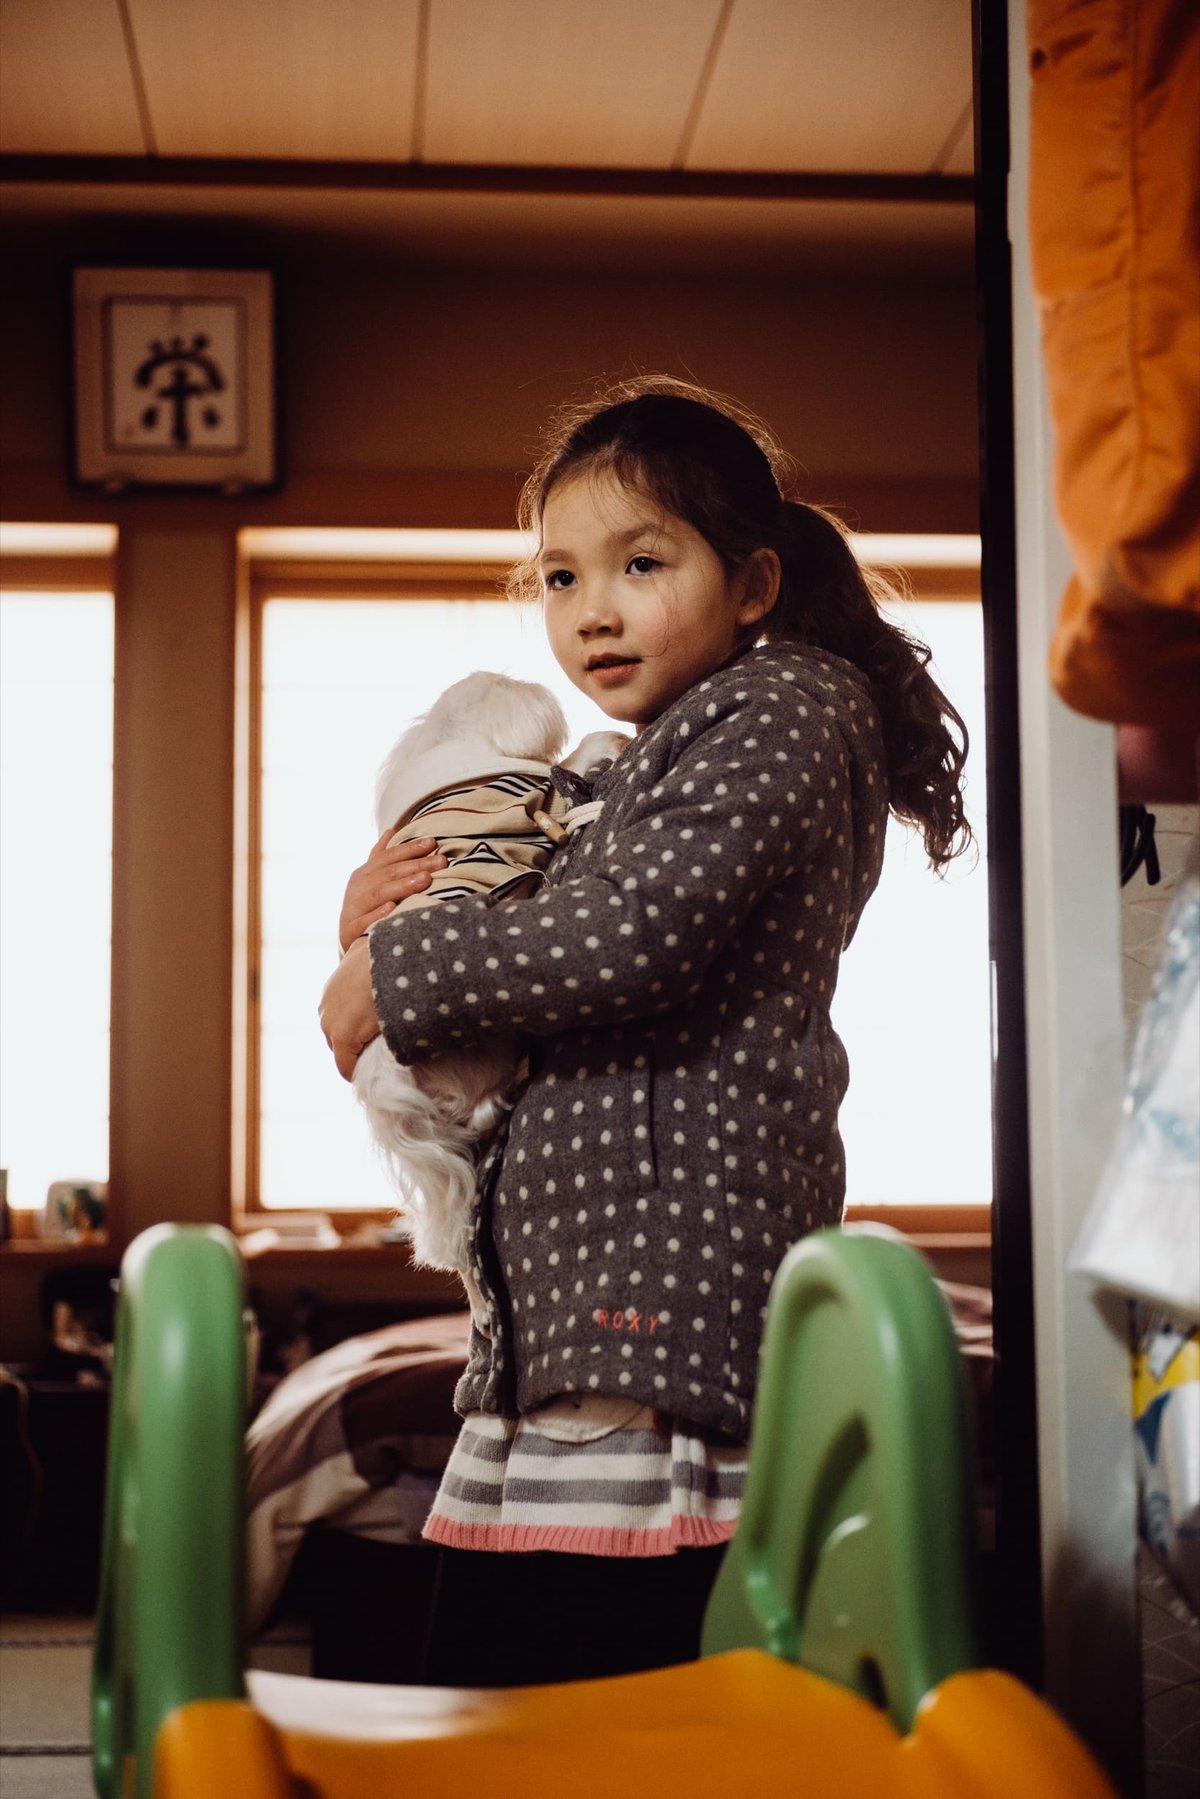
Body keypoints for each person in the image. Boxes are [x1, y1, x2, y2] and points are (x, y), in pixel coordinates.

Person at [319, 377, 971, 1687]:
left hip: (663, 1286)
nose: (592, 610)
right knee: (530, 1695)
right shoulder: (654, 753)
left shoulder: (778, 710)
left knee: (570, 1690)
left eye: (642, 563)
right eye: (560, 578)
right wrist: (377, 911)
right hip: (596, 1288)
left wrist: (394, 972)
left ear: (754, 583)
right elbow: (543, 927)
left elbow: (630, 936)